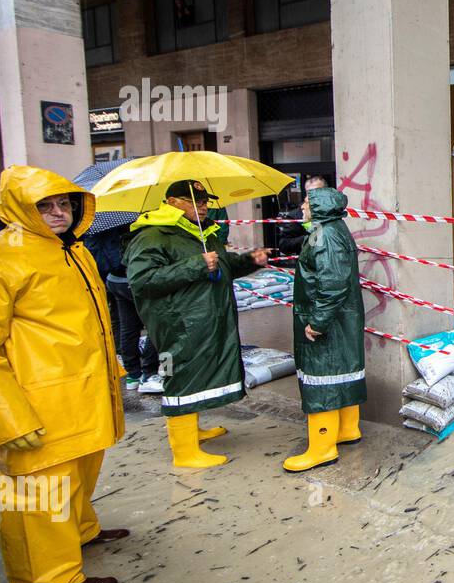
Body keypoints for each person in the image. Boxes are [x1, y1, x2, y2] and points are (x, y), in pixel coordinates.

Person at [0, 166, 126, 583]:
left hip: (81, 393)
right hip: (33, 401)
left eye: (64, 204)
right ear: (20, 207)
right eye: (46, 205)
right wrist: (5, 416)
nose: (58, 213)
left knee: (79, 471)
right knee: (39, 491)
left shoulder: (73, 251)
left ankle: (78, 532)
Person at [126, 179, 271, 468]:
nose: (203, 207)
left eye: (205, 202)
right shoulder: (152, 236)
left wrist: (249, 261)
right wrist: (196, 265)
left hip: (206, 321)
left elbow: (221, 265)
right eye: (194, 201)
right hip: (178, 326)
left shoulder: (203, 233)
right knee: (180, 378)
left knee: (198, 377)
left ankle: (193, 431)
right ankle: (183, 450)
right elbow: (142, 281)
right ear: (171, 202)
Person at [284, 186, 366, 472]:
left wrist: (317, 323)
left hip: (328, 322)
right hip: (342, 319)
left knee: (322, 380)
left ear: (319, 207)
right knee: (342, 372)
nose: (302, 207)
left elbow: (331, 284)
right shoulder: (334, 229)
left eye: (306, 202)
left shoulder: (324, 235)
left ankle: (322, 448)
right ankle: (347, 429)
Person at [86, 223, 163, 393]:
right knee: (156, 322)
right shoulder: (132, 221)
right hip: (132, 277)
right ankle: (150, 373)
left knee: (127, 326)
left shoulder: (98, 222)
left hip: (112, 278)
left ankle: (133, 374)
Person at [276, 176, 329, 257]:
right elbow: (284, 245)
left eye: (318, 191)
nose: (314, 195)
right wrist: (308, 239)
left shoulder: (331, 210)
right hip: (309, 263)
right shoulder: (296, 215)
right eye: (310, 192)